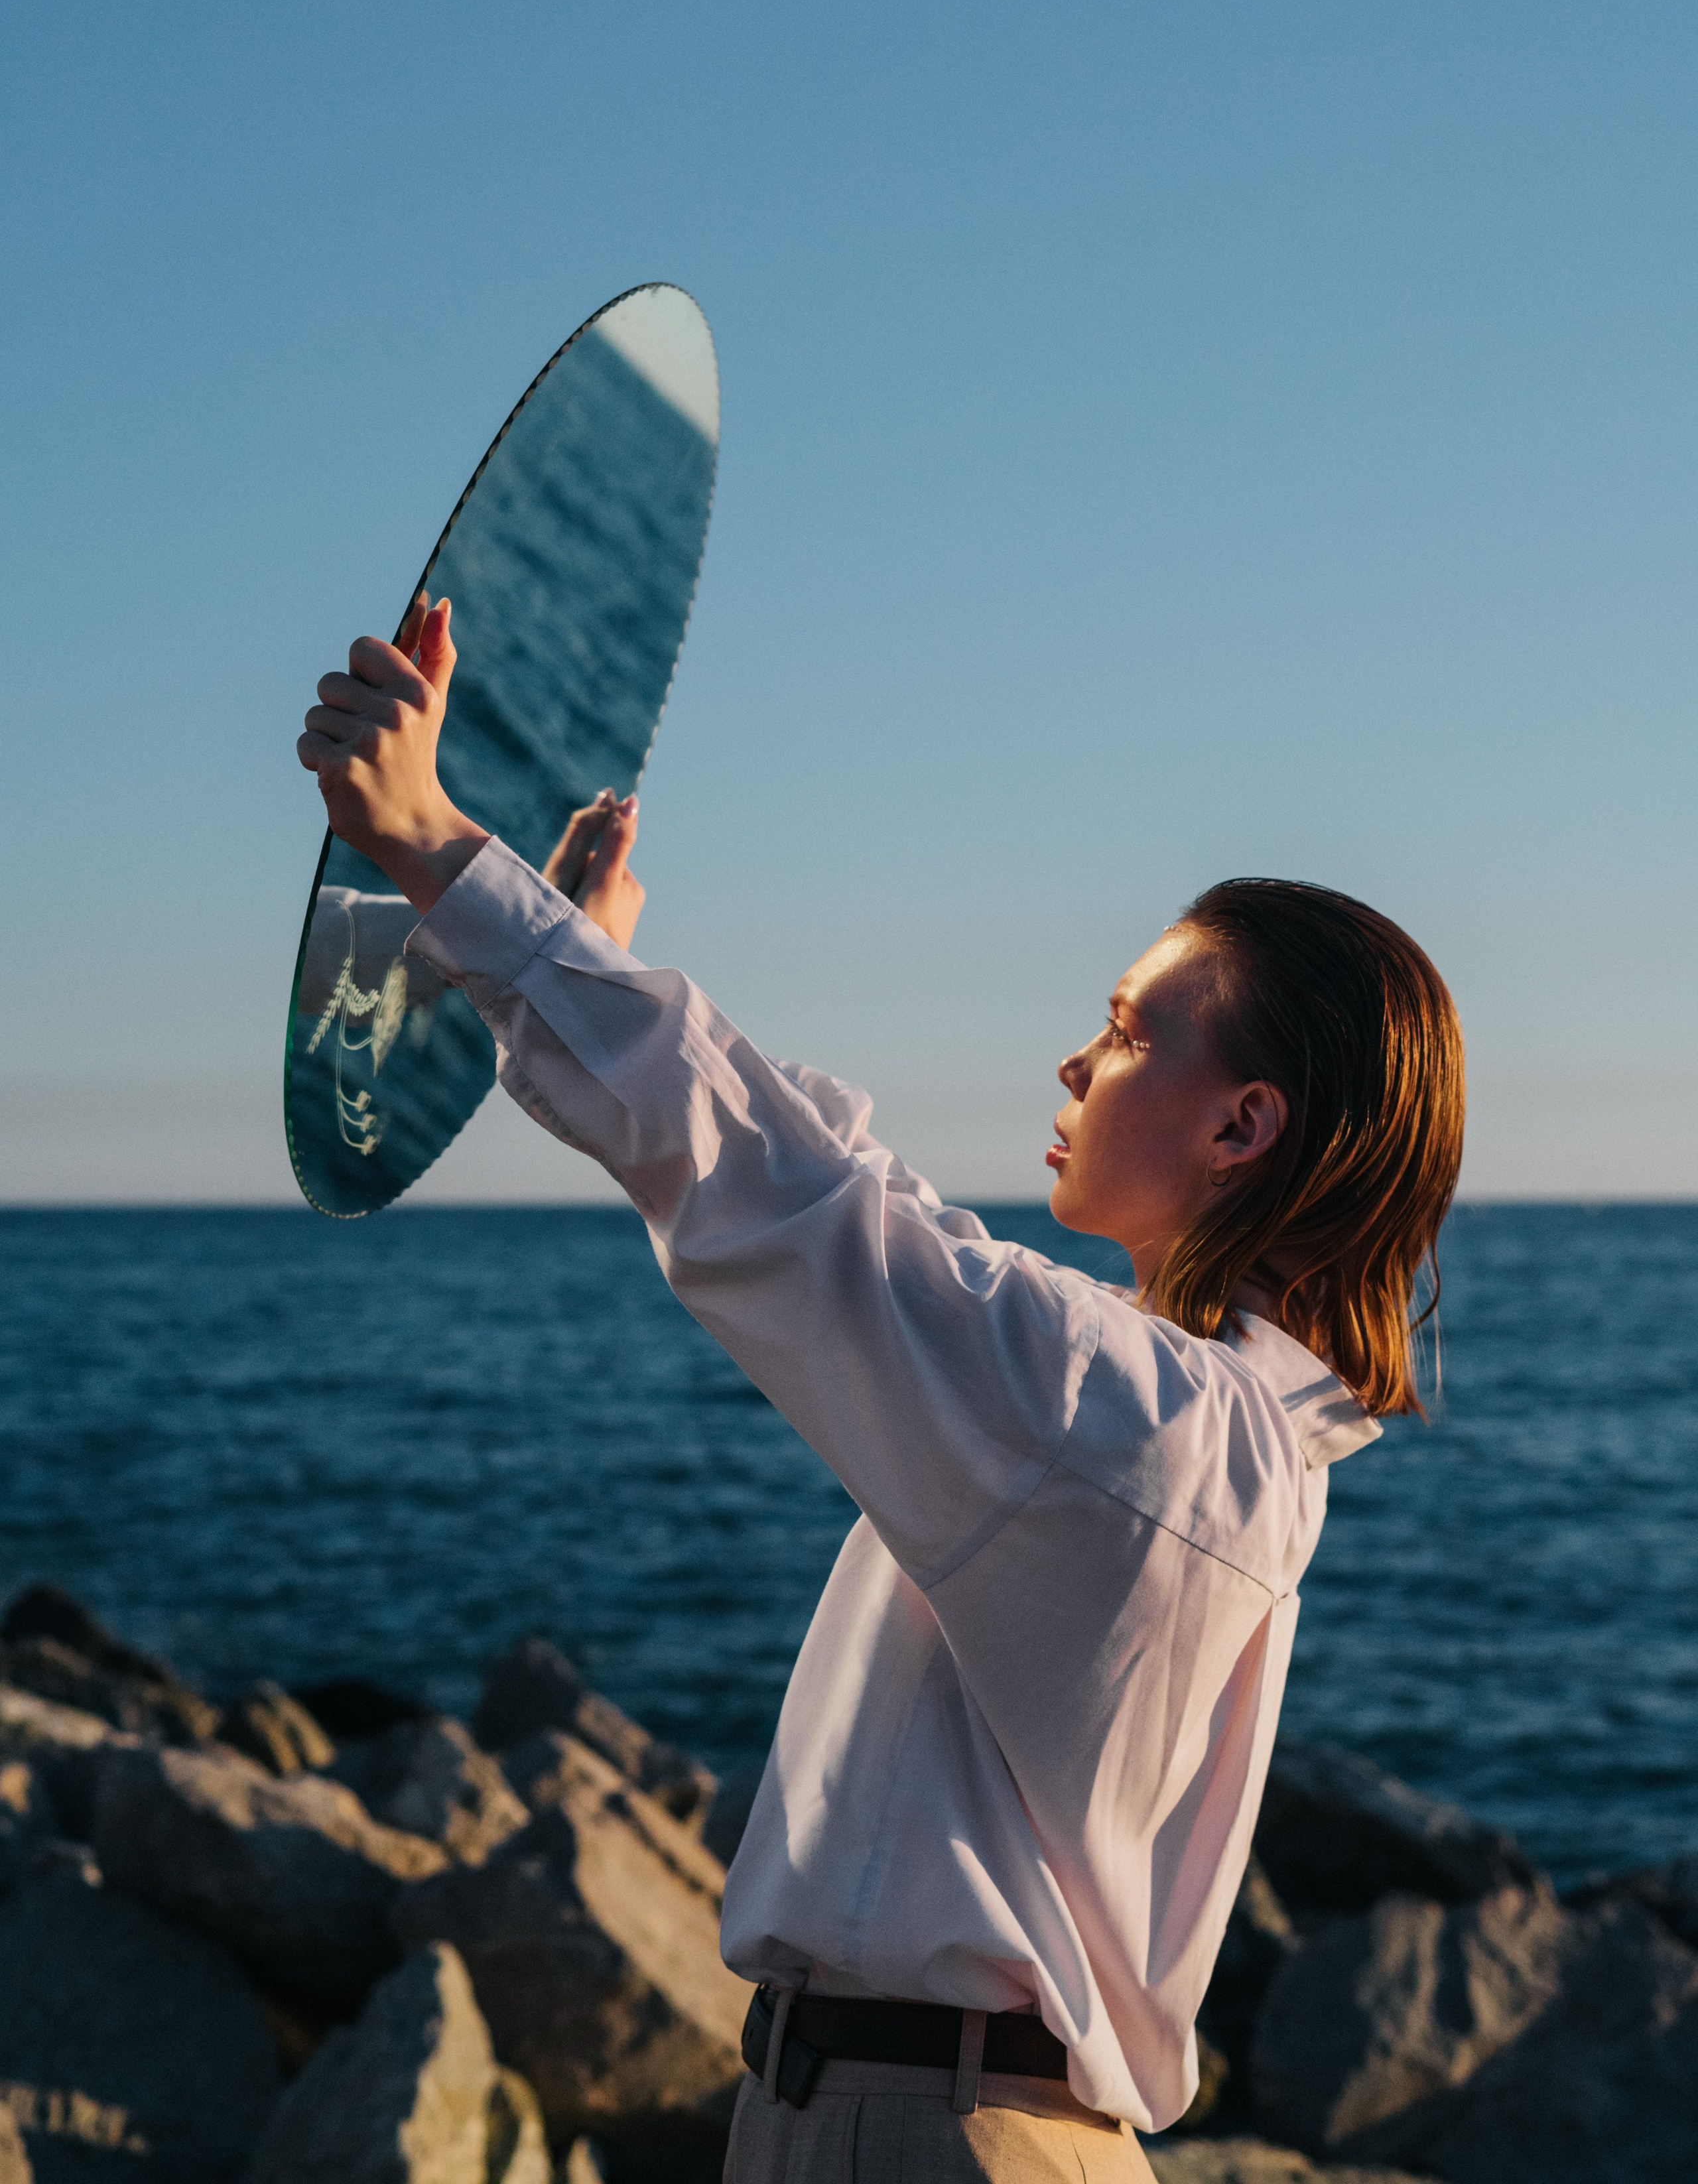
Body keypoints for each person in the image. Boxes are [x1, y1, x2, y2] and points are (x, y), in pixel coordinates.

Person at [297, 596, 1465, 2183]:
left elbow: (811, 1213)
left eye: (1128, 1030)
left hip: (931, 2130)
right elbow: (858, 1199)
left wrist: (440, 847)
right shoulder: (1177, 1418)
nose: (1077, 1062)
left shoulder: (1137, 1426)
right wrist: (558, 965)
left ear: (1240, 1127)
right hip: (903, 2116)